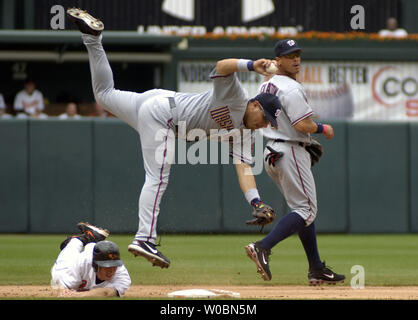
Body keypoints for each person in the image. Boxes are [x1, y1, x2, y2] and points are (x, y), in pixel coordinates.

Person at [67, 8, 281, 269]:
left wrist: (255, 202)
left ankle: (92, 38)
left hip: (156, 103)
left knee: (104, 95)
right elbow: (222, 66)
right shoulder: (237, 96)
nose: (265, 125)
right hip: (164, 116)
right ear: (256, 106)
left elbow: (244, 167)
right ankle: (145, 238)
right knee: (157, 178)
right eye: (266, 118)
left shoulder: (246, 134)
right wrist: (250, 65)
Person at [245, 39, 345, 285]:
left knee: (303, 211)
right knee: (306, 210)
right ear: (278, 60)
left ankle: (316, 268)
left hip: (272, 152)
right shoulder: (291, 88)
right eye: (290, 56)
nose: (296, 59)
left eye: (298, 54)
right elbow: (302, 125)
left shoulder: (267, 83)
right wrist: (323, 128)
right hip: (290, 150)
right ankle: (263, 247)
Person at [51, 222, 131, 297]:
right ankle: (79, 239)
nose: (111, 270)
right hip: (68, 266)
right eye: (107, 266)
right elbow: (60, 290)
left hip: (91, 257)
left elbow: (108, 292)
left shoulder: (122, 273)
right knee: (71, 249)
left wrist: (80, 295)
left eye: (114, 265)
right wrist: (62, 288)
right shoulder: (79, 264)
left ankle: (93, 237)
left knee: (95, 249)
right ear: (96, 265)